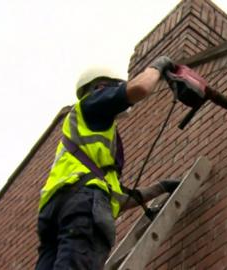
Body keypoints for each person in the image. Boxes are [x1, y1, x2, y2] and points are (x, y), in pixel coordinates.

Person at [35, 56, 179, 270]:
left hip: (53, 212)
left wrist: (161, 187)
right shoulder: (91, 105)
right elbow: (140, 88)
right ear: (100, 87)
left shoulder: (83, 139)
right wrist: (159, 65)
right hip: (81, 204)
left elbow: (116, 200)